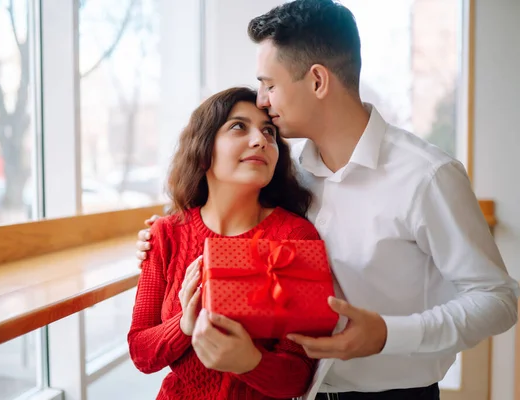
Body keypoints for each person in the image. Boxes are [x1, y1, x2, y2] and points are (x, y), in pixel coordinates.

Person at [136, 1, 519, 399]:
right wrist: (158, 236)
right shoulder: (290, 176)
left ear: (318, 80)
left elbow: (497, 299)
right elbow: (217, 216)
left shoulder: (426, 176)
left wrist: (389, 334)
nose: (263, 100)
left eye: (269, 84)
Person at [127, 86, 324, 400]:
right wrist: (183, 325)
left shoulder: (296, 237)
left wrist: (250, 362)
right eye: (238, 126)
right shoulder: (165, 233)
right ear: (204, 147)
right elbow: (141, 353)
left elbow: (300, 376)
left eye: (269, 132)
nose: (261, 139)